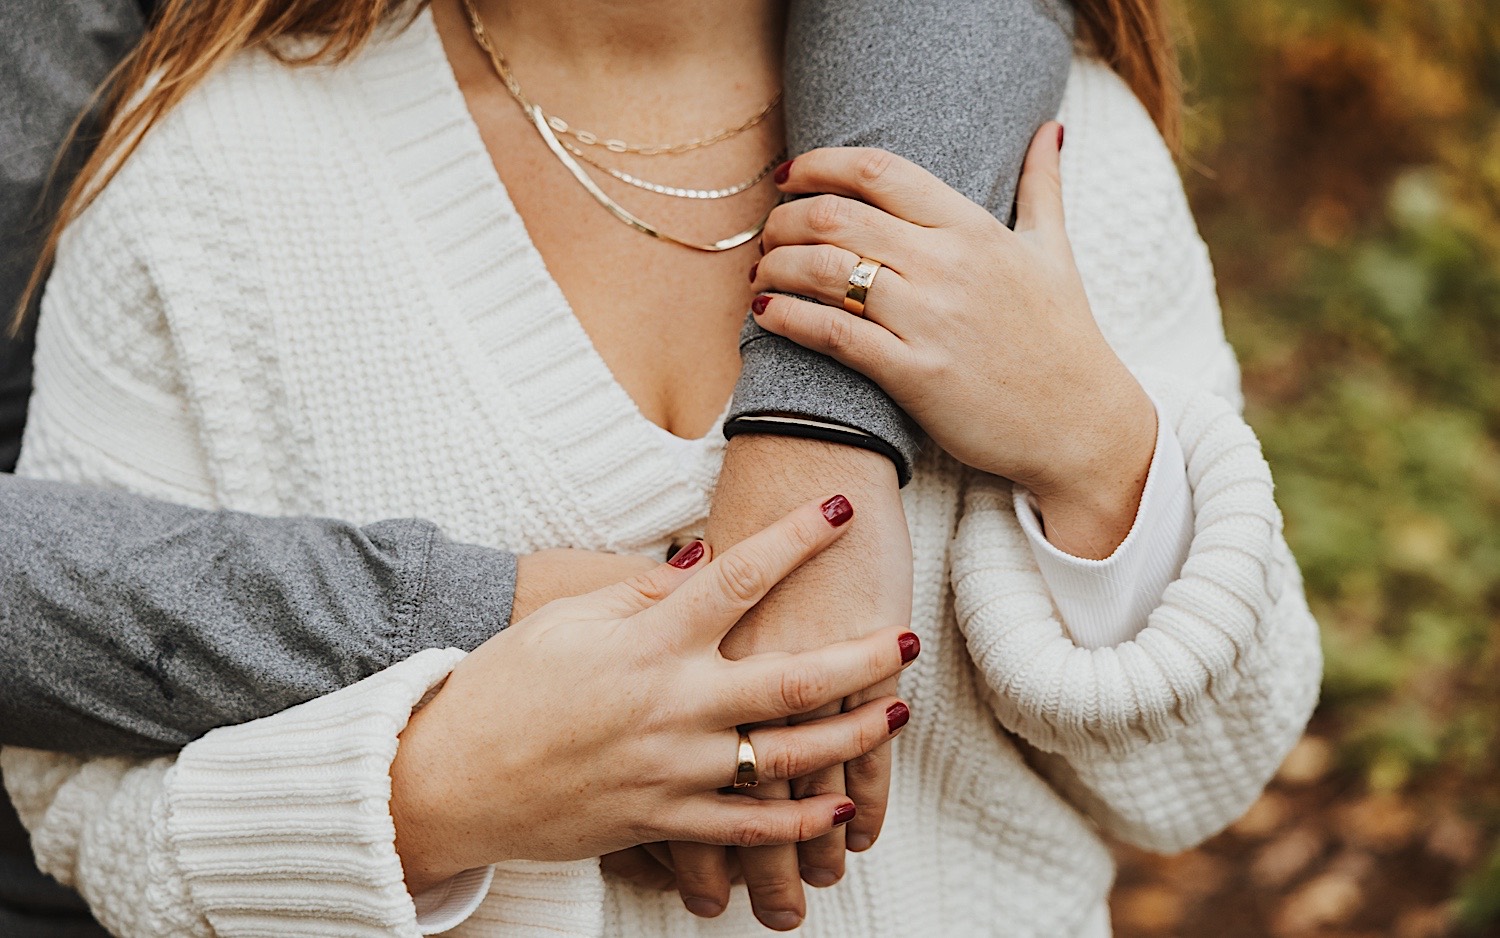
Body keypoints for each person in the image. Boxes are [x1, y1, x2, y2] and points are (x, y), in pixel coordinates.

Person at [3, 2, 1323, 937]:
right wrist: (433, 793)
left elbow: (1208, 774)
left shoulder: (1050, 150)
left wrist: (1095, 443)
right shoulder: (203, 181)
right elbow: (75, 800)